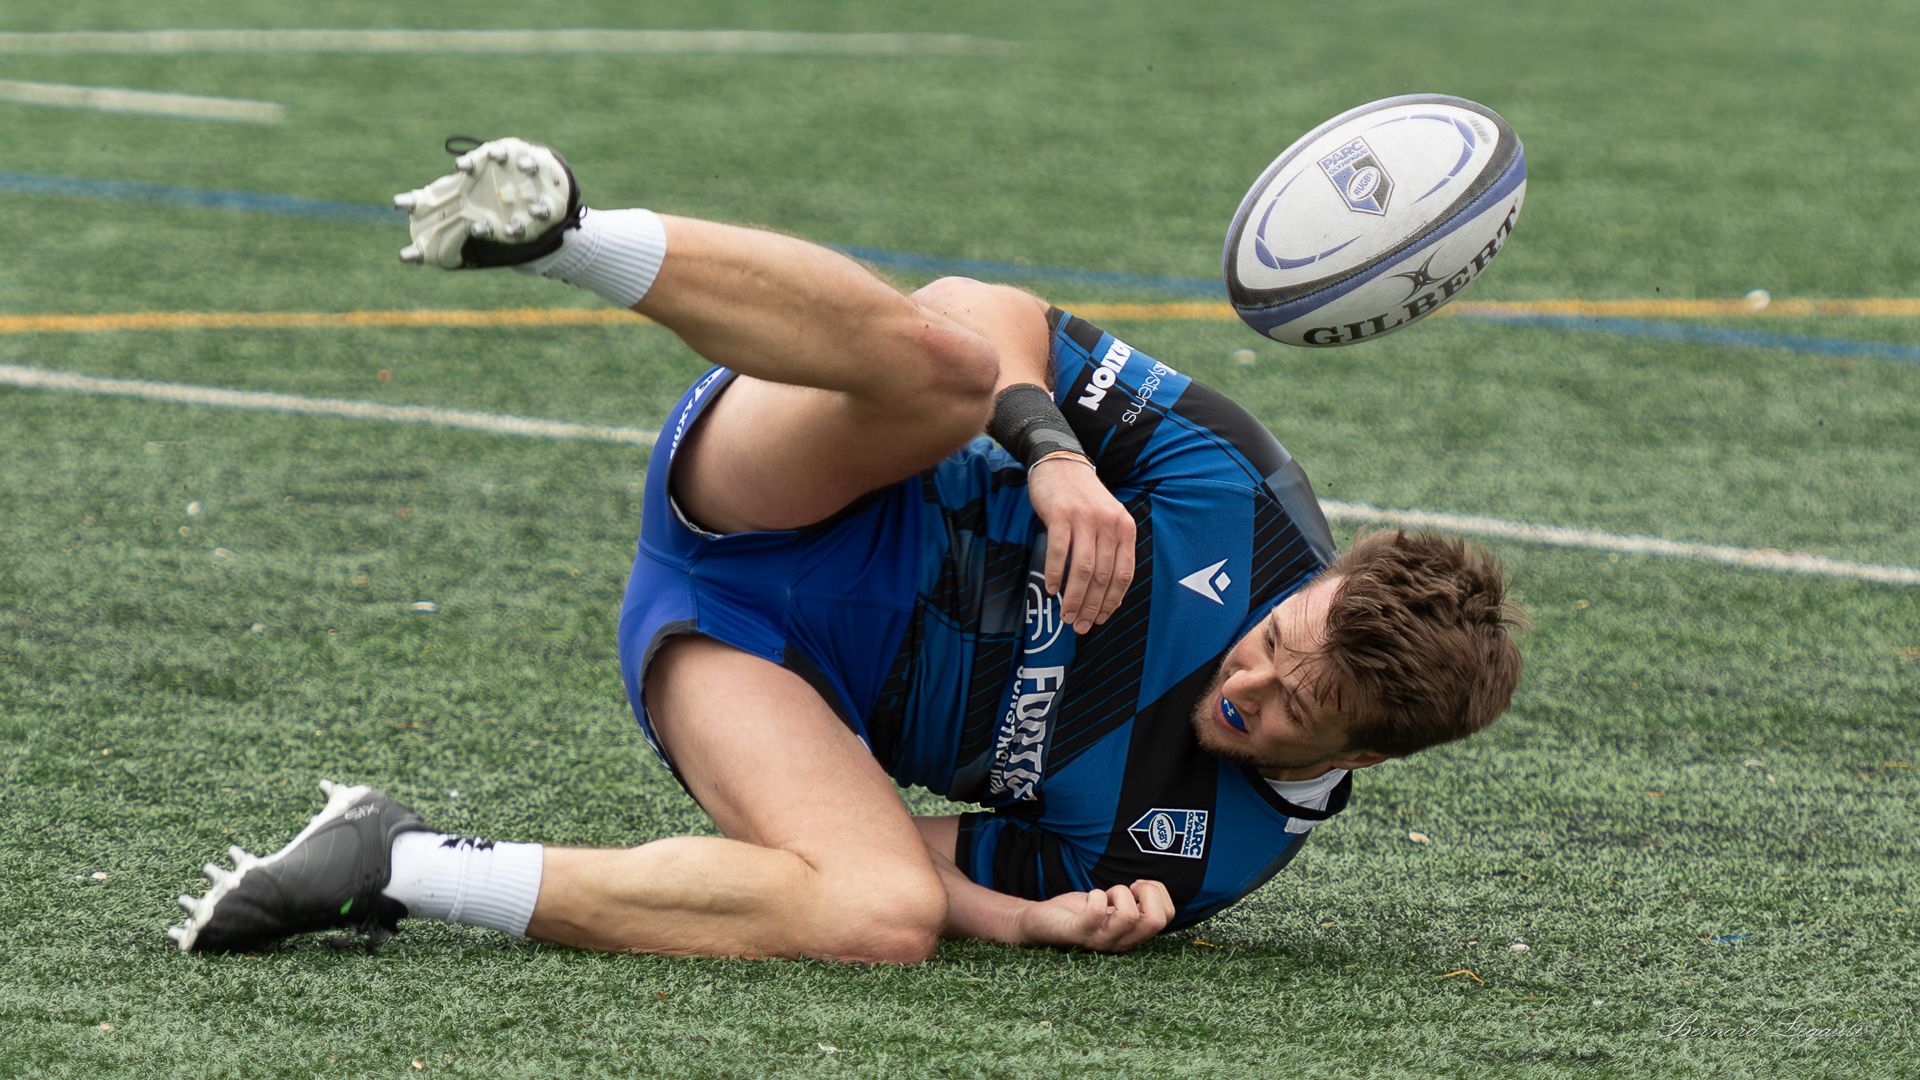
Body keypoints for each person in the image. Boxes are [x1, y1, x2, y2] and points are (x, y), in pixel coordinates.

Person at [171, 138, 1527, 962]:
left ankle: (392, 865)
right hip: (789, 479)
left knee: (874, 920)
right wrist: (1054, 453)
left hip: (754, 669)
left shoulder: (1195, 859)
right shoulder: (1243, 503)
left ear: (1361, 758)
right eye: (1280, 638)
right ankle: (567, 234)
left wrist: (1026, 919)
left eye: (1300, 709)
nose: (1256, 678)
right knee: (951, 367)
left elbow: (913, 866)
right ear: (1317, 584)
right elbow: (978, 302)